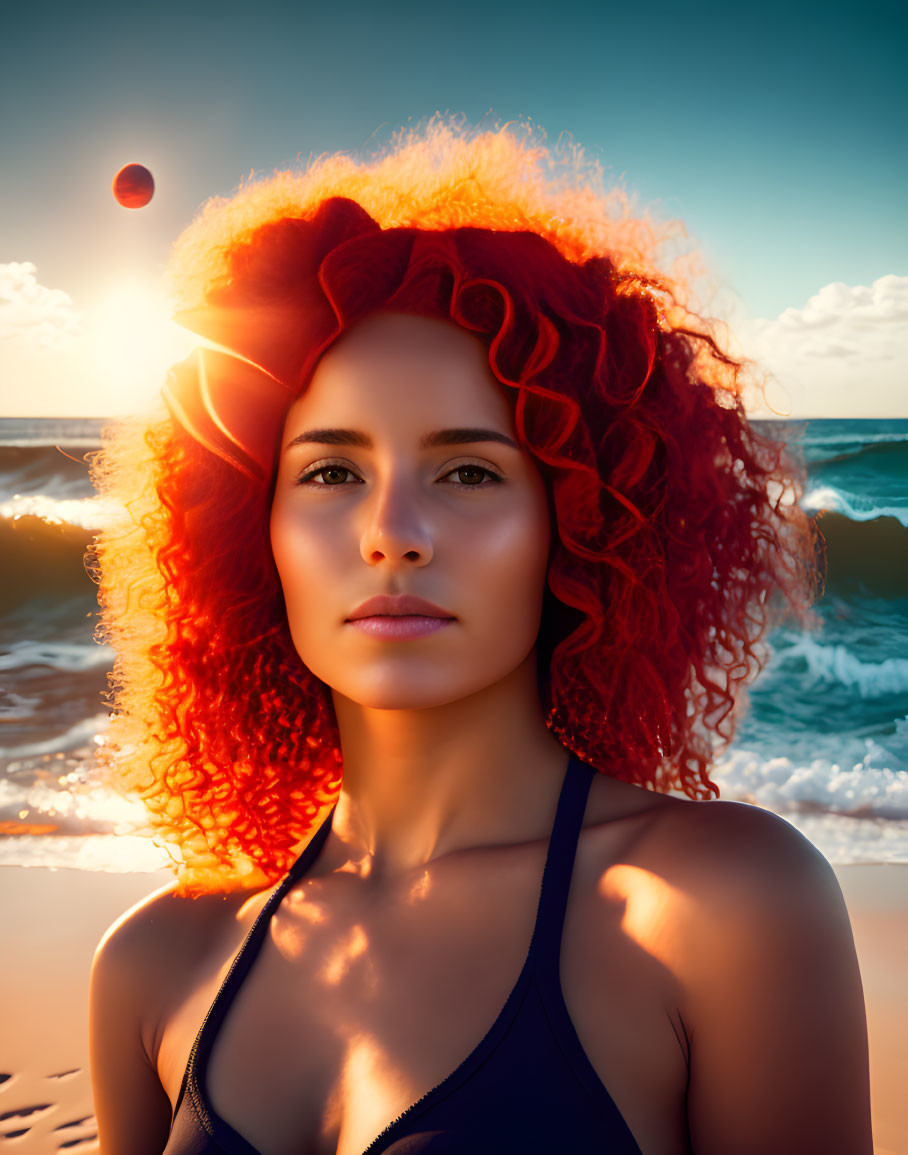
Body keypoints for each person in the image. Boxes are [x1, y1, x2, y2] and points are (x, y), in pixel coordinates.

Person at [88, 123, 872, 1155]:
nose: (393, 536)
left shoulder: (723, 913)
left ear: (581, 514)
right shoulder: (154, 963)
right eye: (330, 472)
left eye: (467, 472)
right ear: (250, 529)